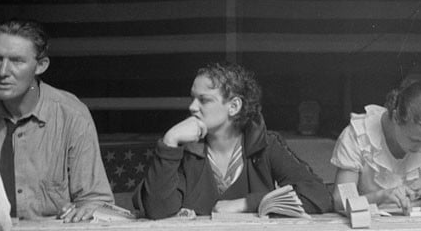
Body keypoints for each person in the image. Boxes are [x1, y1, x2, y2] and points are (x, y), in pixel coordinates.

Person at [134, 62, 332, 219]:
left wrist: (247, 204)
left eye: (204, 100)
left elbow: (319, 195)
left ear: (234, 106)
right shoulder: (185, 151)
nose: (192, 107)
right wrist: (170, 141)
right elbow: (157, 209)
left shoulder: (266, 146)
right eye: (193, 98)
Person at [0, 18, 113, 222]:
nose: (3, 72)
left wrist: (84, 212)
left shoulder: (71, 114)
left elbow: (95, 201)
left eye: (17, 61)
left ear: (41, 66)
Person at [330, 80, 421, 212]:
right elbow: (340, 202)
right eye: (415, 140)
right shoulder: (359, 135)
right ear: (396, 118)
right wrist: (381, 196)